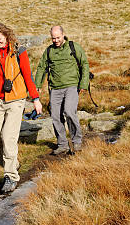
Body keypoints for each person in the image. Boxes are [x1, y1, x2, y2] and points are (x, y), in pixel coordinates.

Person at [0, 23, 42, 194]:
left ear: (7, 36)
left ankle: (11, 176)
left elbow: (28, 76)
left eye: (0, 39)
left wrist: (35, 99)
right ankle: (12, 164)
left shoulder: (18, 50)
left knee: (8, 137)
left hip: (16, 99)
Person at [34, 25, 90, 155]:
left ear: (63, 34)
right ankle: (62, 144)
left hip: (71, 86)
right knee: (55, 116)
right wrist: (37, 84)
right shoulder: (49, 51)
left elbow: (84, 64)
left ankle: (77, 142)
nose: (56, 40)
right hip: (55, 88)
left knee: (69, 112)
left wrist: (83, 83)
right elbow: (42, 67)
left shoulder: (73, 47)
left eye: (58, 37)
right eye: (53, 38)